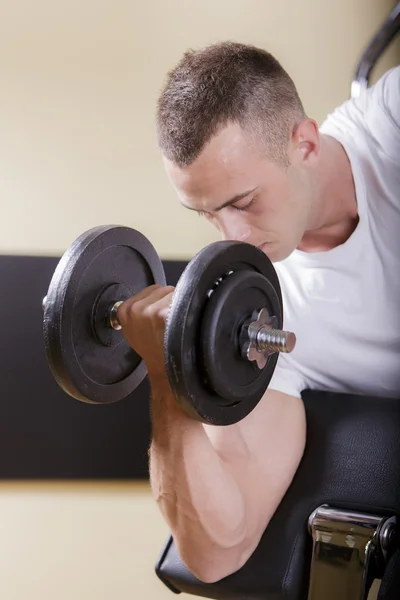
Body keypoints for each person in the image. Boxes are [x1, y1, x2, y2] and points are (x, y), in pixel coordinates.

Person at [117, 42, 400, 583]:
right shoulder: (262, 306)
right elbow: (217, 551)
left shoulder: (391, 122)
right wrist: (166, 378)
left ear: (306, 144)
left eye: (244, 202)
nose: (234, 237)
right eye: (208, 213)